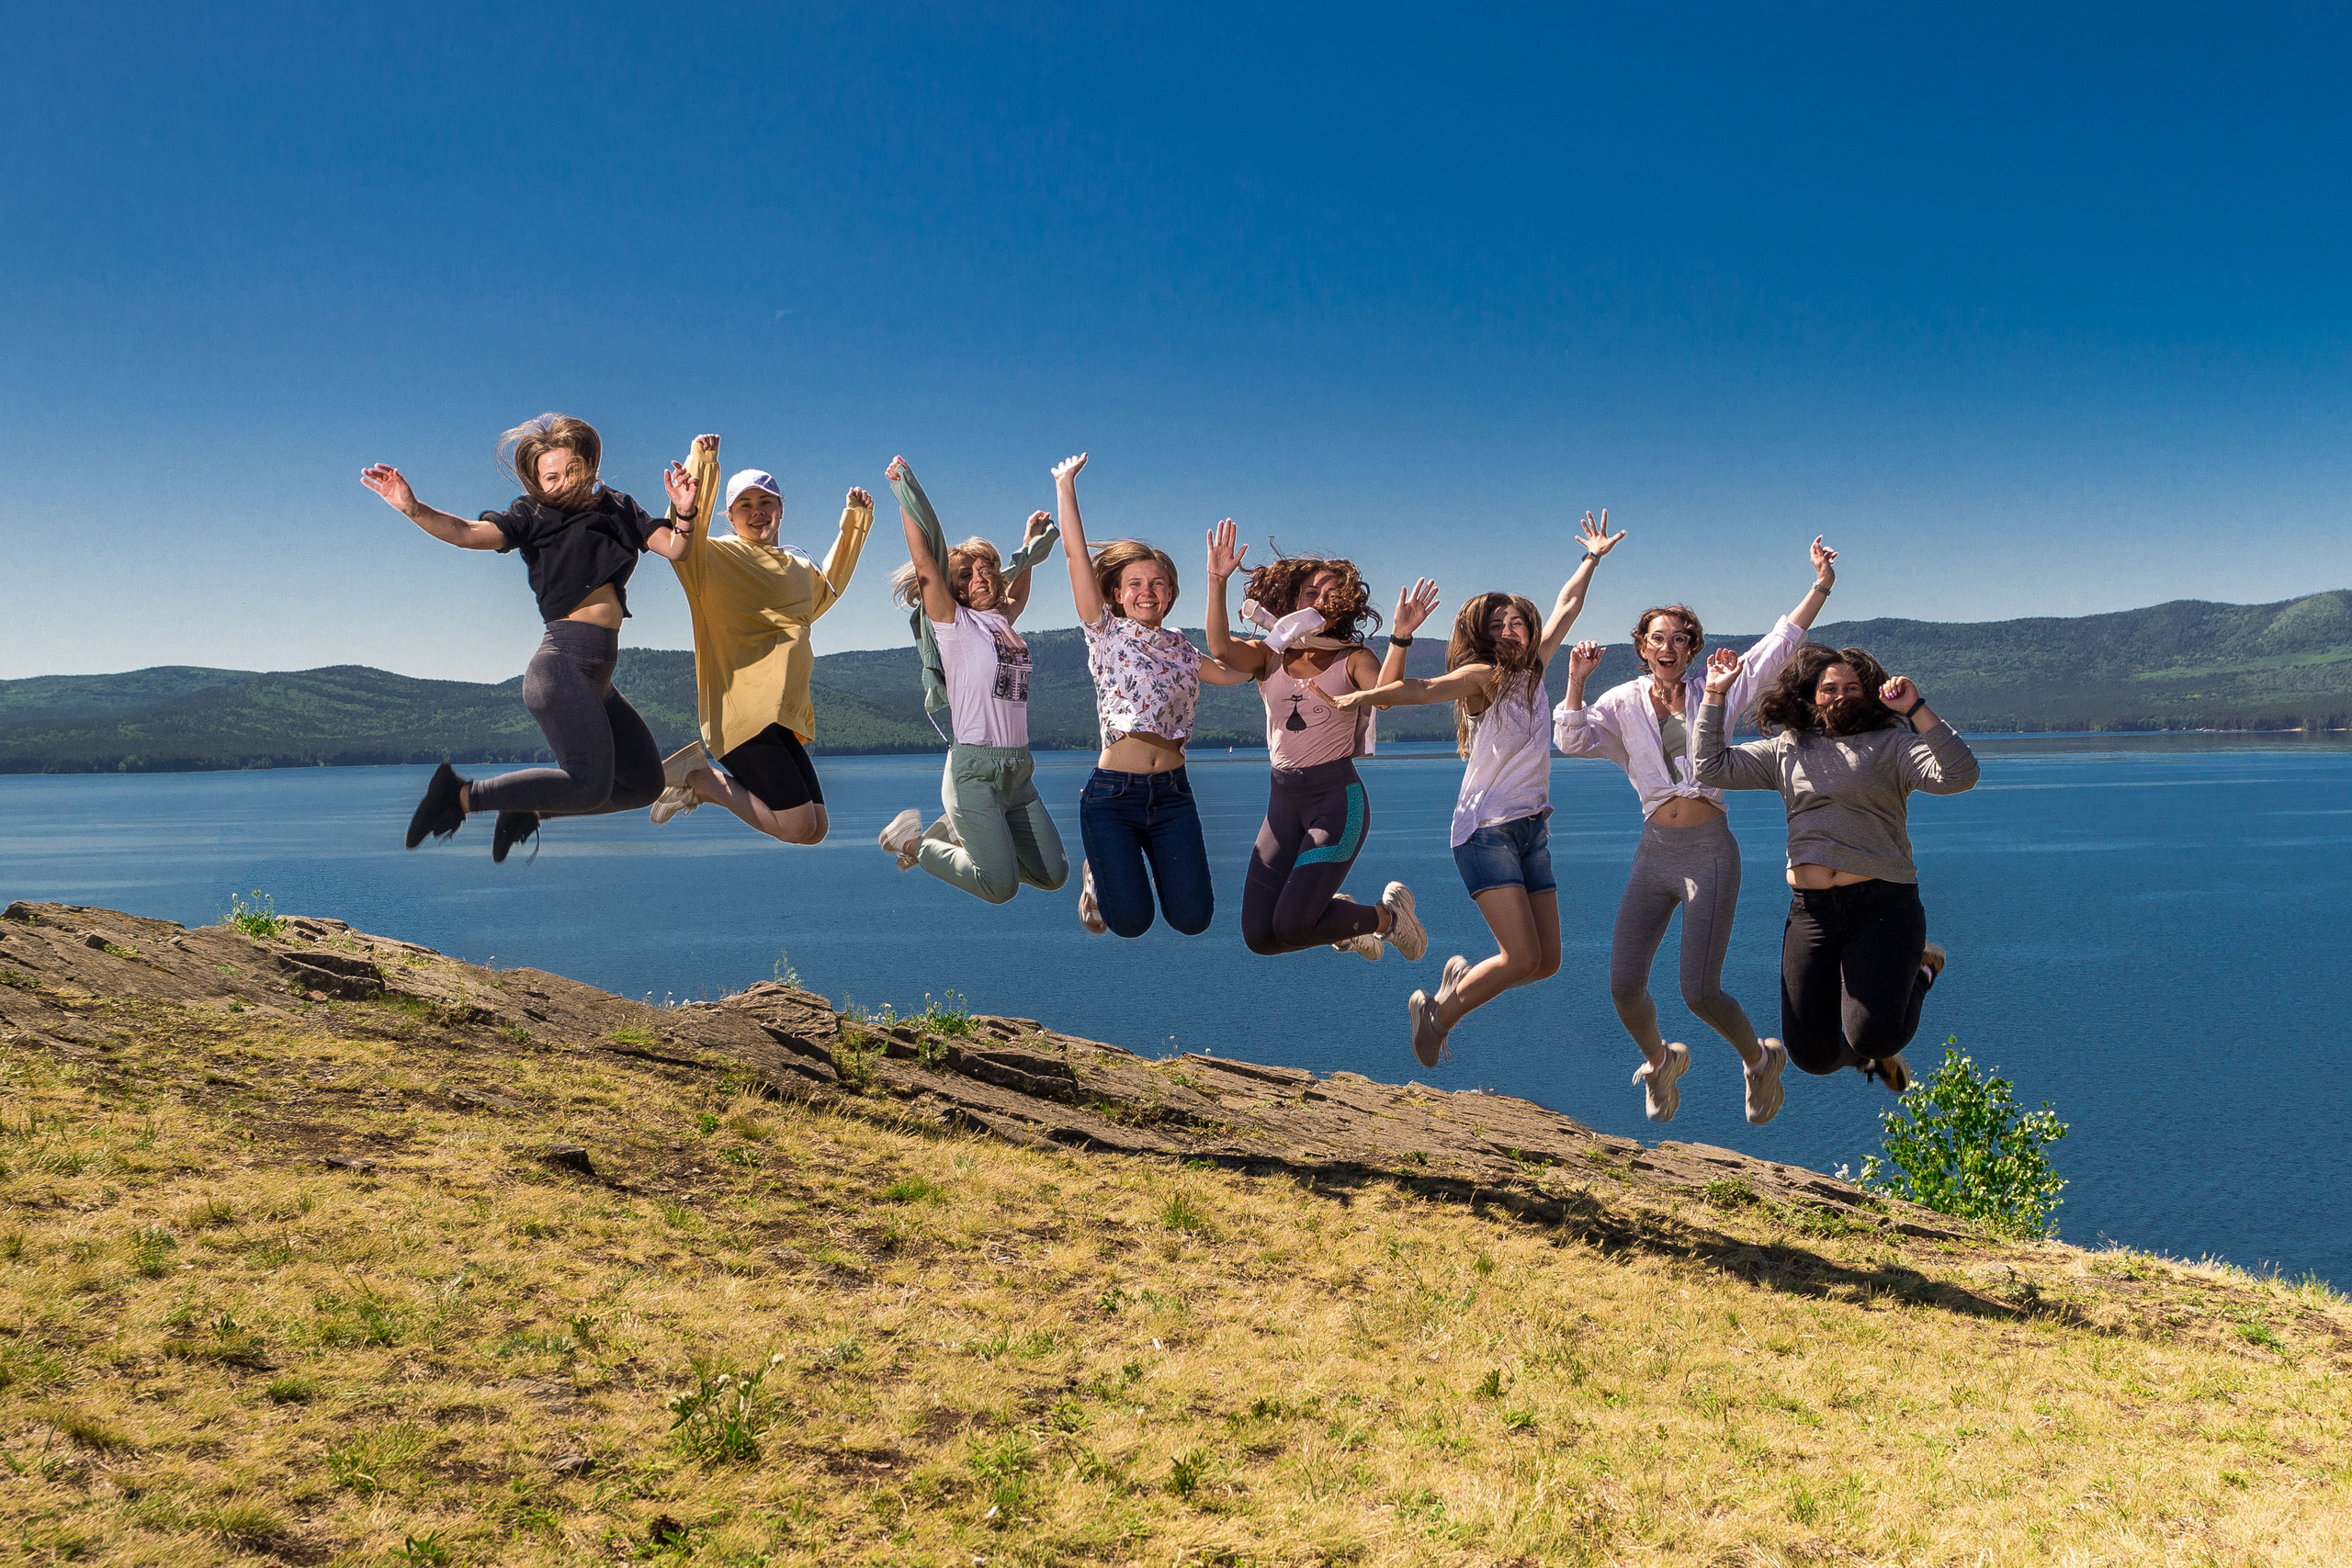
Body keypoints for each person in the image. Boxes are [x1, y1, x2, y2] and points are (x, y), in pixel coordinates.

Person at [1553, 537, 1838, 1124]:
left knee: (1699, 992)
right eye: (1658, 637)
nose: (1669, 646)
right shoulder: (1621, 702)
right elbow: (1571, 738)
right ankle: (1660, 1063)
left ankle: (1759, 1060)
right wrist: (1577, 679)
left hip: (1710, 852)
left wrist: (1820, 586)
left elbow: (1778, 645)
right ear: (1641, 647)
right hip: (1653, 851)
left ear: (1693, 649)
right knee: (1625, 987)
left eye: (1680, 638)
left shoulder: (1720, 688)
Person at [1332, 513, 1623, 1066]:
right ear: (1483, 637)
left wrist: (1591, 558)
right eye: (1499, 625)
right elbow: (1422, 687)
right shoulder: (1481, 678)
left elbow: (1566, 607)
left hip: (1532, 828)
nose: (1511, 631)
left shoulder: (1535, 670)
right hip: (1485, 831)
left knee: (1547, 962)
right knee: (1519, 958)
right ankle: (1437, 1015)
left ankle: (1452, 991)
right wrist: (1364, 699)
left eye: (1518, 622)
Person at [360, 413, 696, 863]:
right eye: (551, 477)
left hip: (597, 677)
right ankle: (459, 796)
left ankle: (529, 807)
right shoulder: (533, 514)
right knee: (589, 782)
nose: (562, 483)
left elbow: (676, 547)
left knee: (644, 784)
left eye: (571, 471)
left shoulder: (620, 507)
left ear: (590, 464)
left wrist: (686, 510)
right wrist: (413, 507)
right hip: (560, 668)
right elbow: (467, 534)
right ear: (539, 483)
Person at [1694, 642, 1977, 1094]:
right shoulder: (1786, 749)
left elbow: (1961, 775)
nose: (1840, 695)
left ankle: (1923, 968)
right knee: (1812, 1054)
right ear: (1810, 694)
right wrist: (1714, 693)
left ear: (1870, 695)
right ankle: (1867, 1059)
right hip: (1812, 911)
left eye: (1852, 687)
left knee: (1878, 1034)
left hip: (1882, 904)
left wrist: (1915, 708)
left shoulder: (1894, 745)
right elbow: (1710, 766)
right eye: (1829, 688)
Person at [1204, 524, 1428, 965]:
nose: (1320, 600)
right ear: (1292, 599)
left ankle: (1388, 920)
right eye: (1311, 592)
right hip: (1282, 802)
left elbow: (1388, 697)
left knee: (1292, 926)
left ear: (1347, 604)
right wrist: (1217, 583)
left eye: (1331, 593)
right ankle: (1338, 918)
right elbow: (1222, 650)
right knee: (1260, 937)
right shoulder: (1270, 654)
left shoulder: (1353, 657)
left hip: (1337, 802)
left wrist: (1400, 636)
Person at [1051, 453, 1255, 938]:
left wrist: (1286, 653)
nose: (1147, 592)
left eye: (1158, 584)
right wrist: (1065, 487)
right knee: (1131, 923)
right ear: (1117, 594)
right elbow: (1076, 556)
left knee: (1193, 918)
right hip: (1111, 796)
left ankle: (1108, 870)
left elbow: (1231, 672)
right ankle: (1097, 875)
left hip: (1173, 795)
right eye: (1136, 584)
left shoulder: (1182, 648)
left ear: (1170, 593)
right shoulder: (1105, 633)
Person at [643, 434, 873, 845]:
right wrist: (703, 463)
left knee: (816, 828)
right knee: (798, 827)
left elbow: (830, 587)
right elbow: (683, 540)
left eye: (766, 503)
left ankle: (700, 780)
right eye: (745, 506)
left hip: (783, 714)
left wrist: (855, 521)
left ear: (781, 509)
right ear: (729, 517)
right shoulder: (712, 560)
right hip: (741, 712)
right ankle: (702, 782)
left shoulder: (798, 567)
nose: (757, 512)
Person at [874, 455, 1069, 902]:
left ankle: (965, 837)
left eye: (987, 570)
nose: (980, 577)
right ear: (954, 588)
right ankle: (911, 841)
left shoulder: (1002, 621)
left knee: (1053, 874)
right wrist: (905, 495)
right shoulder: (953, 625)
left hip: (1018, 771)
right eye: (967, 574)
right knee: (999, 887)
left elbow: (1016, 589)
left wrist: (1028, 547)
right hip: (974, 772)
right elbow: (925, 565)